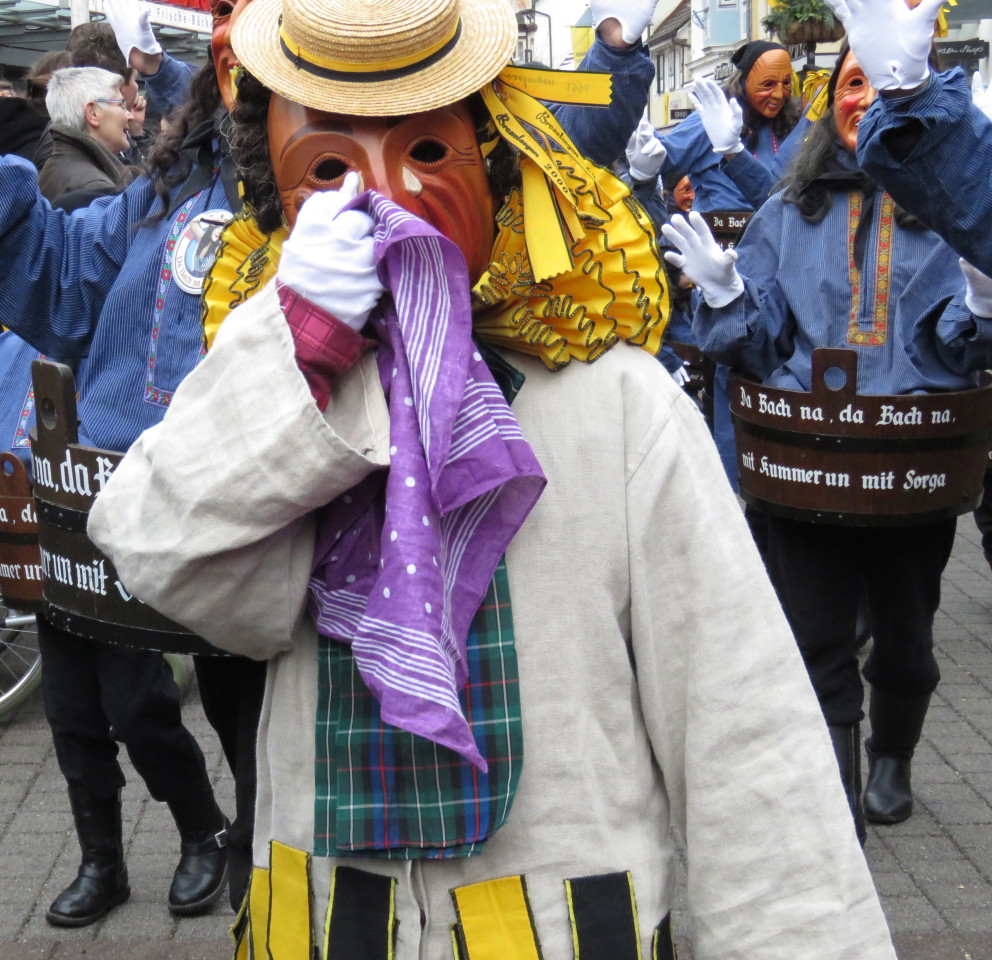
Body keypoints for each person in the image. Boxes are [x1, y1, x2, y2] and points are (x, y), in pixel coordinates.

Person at [89, 1, 897, 957]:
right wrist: (294, 350)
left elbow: (743, 731)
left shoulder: (618, 407)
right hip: (328, 925)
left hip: (564, 925)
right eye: (332, 168)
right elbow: (164, 549)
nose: (383, 201)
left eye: (426, 152)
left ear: (495, 156)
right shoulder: (284, 394)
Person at [662, 39, 992, 843]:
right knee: (815, 641)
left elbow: (955, 351)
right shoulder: (789, 205)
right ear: (829, 100)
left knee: (907, 644)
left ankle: (894, 755)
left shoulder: (952, 219)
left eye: (880, 86)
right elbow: (764, 341)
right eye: (851, 83)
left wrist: (981, 304)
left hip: (911, 471)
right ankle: (835, 789)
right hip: (804, 466)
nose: (863, 99)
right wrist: (729, 292)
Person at [36, 67, 136, 204]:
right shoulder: (95, 189)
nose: (130, 116)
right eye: (121, 105)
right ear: (93, 113)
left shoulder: (53, 168)